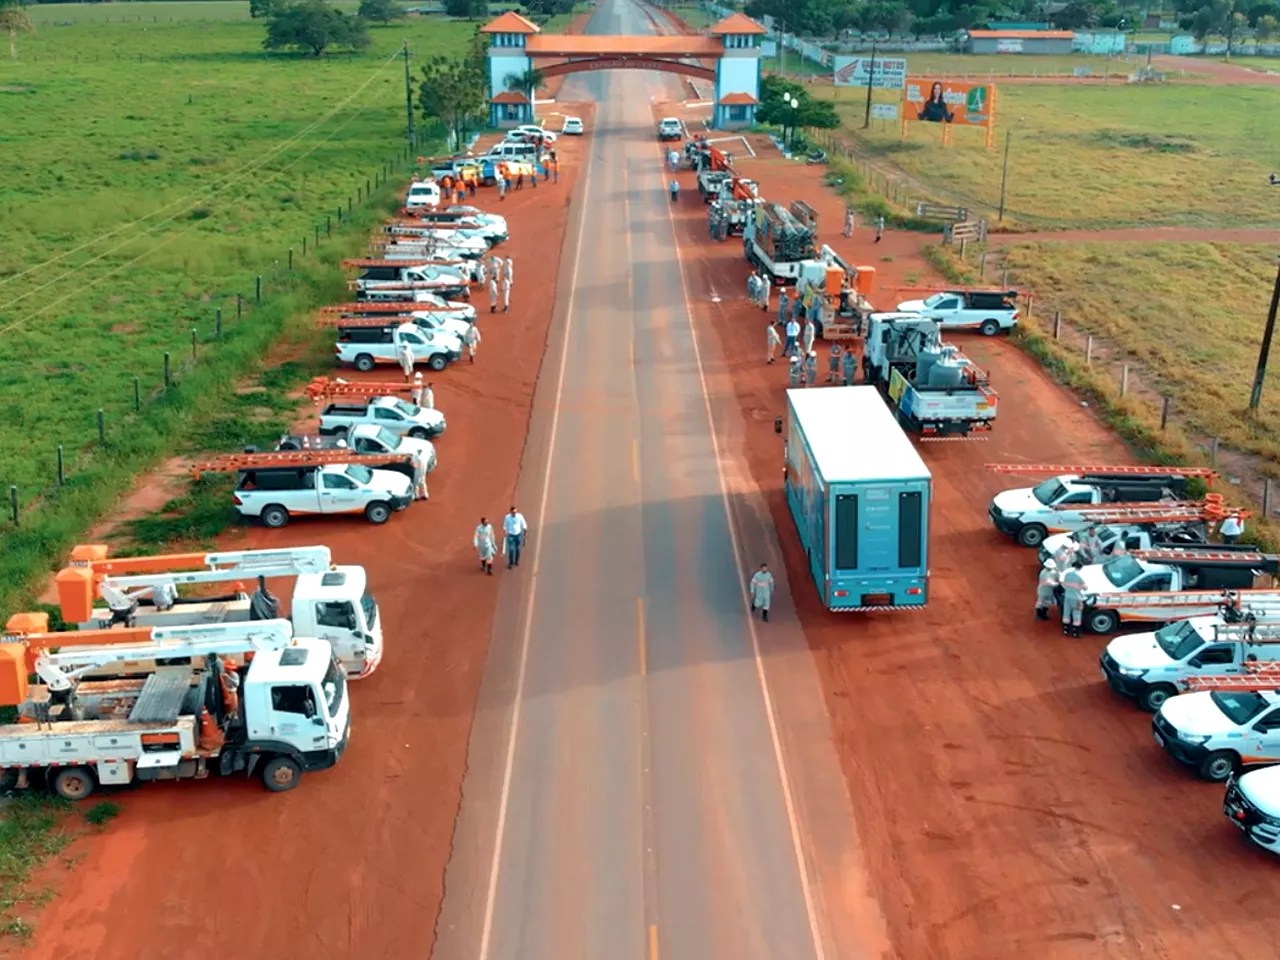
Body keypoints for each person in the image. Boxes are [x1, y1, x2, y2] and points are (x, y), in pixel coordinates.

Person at [1060, 561, 1087, 637]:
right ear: (1081, 567)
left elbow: (1064, 585)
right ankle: (1076, 633)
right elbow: (1085, 588)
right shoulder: (1080, 576)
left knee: (1066, 613)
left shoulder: (1067, 574)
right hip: (1077, 598)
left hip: (1067, 596)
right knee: (1077, 615)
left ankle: (1066, 630)